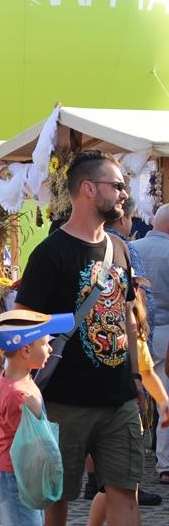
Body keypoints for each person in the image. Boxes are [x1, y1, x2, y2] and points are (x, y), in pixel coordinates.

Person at [14, 150, 142, 525]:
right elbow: (21, 323)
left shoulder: (119, 248)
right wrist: (20, 386)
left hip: (119, 400)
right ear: (88, 188)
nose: (124, 194)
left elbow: (126, 316)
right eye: (116, 185)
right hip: (64, 402)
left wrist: (136, 377)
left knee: (126, 492)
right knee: (57, 496)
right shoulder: (50, 254)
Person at [86, 287, 169, 525]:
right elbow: (148, 373)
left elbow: (148, 373)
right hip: (120, 413)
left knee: (111, 487)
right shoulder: (122, 333)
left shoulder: (116, 333)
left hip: (116, 410)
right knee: (119, 485)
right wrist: (163, 403)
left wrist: (164, 403)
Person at [0, 309, 74, 526]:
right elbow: (33, 445)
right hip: (16, 475)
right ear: (25, 349)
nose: (51, 348)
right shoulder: (20, 396)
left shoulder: (8, 378)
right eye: (44, 343)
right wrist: (35, 414)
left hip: (12, 471)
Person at [132, 203, 169, 484]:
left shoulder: (132, 248)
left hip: (134, 330)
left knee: (131, 397)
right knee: (165, 399)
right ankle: (165, 463)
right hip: (166, 330)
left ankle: (127, 457)